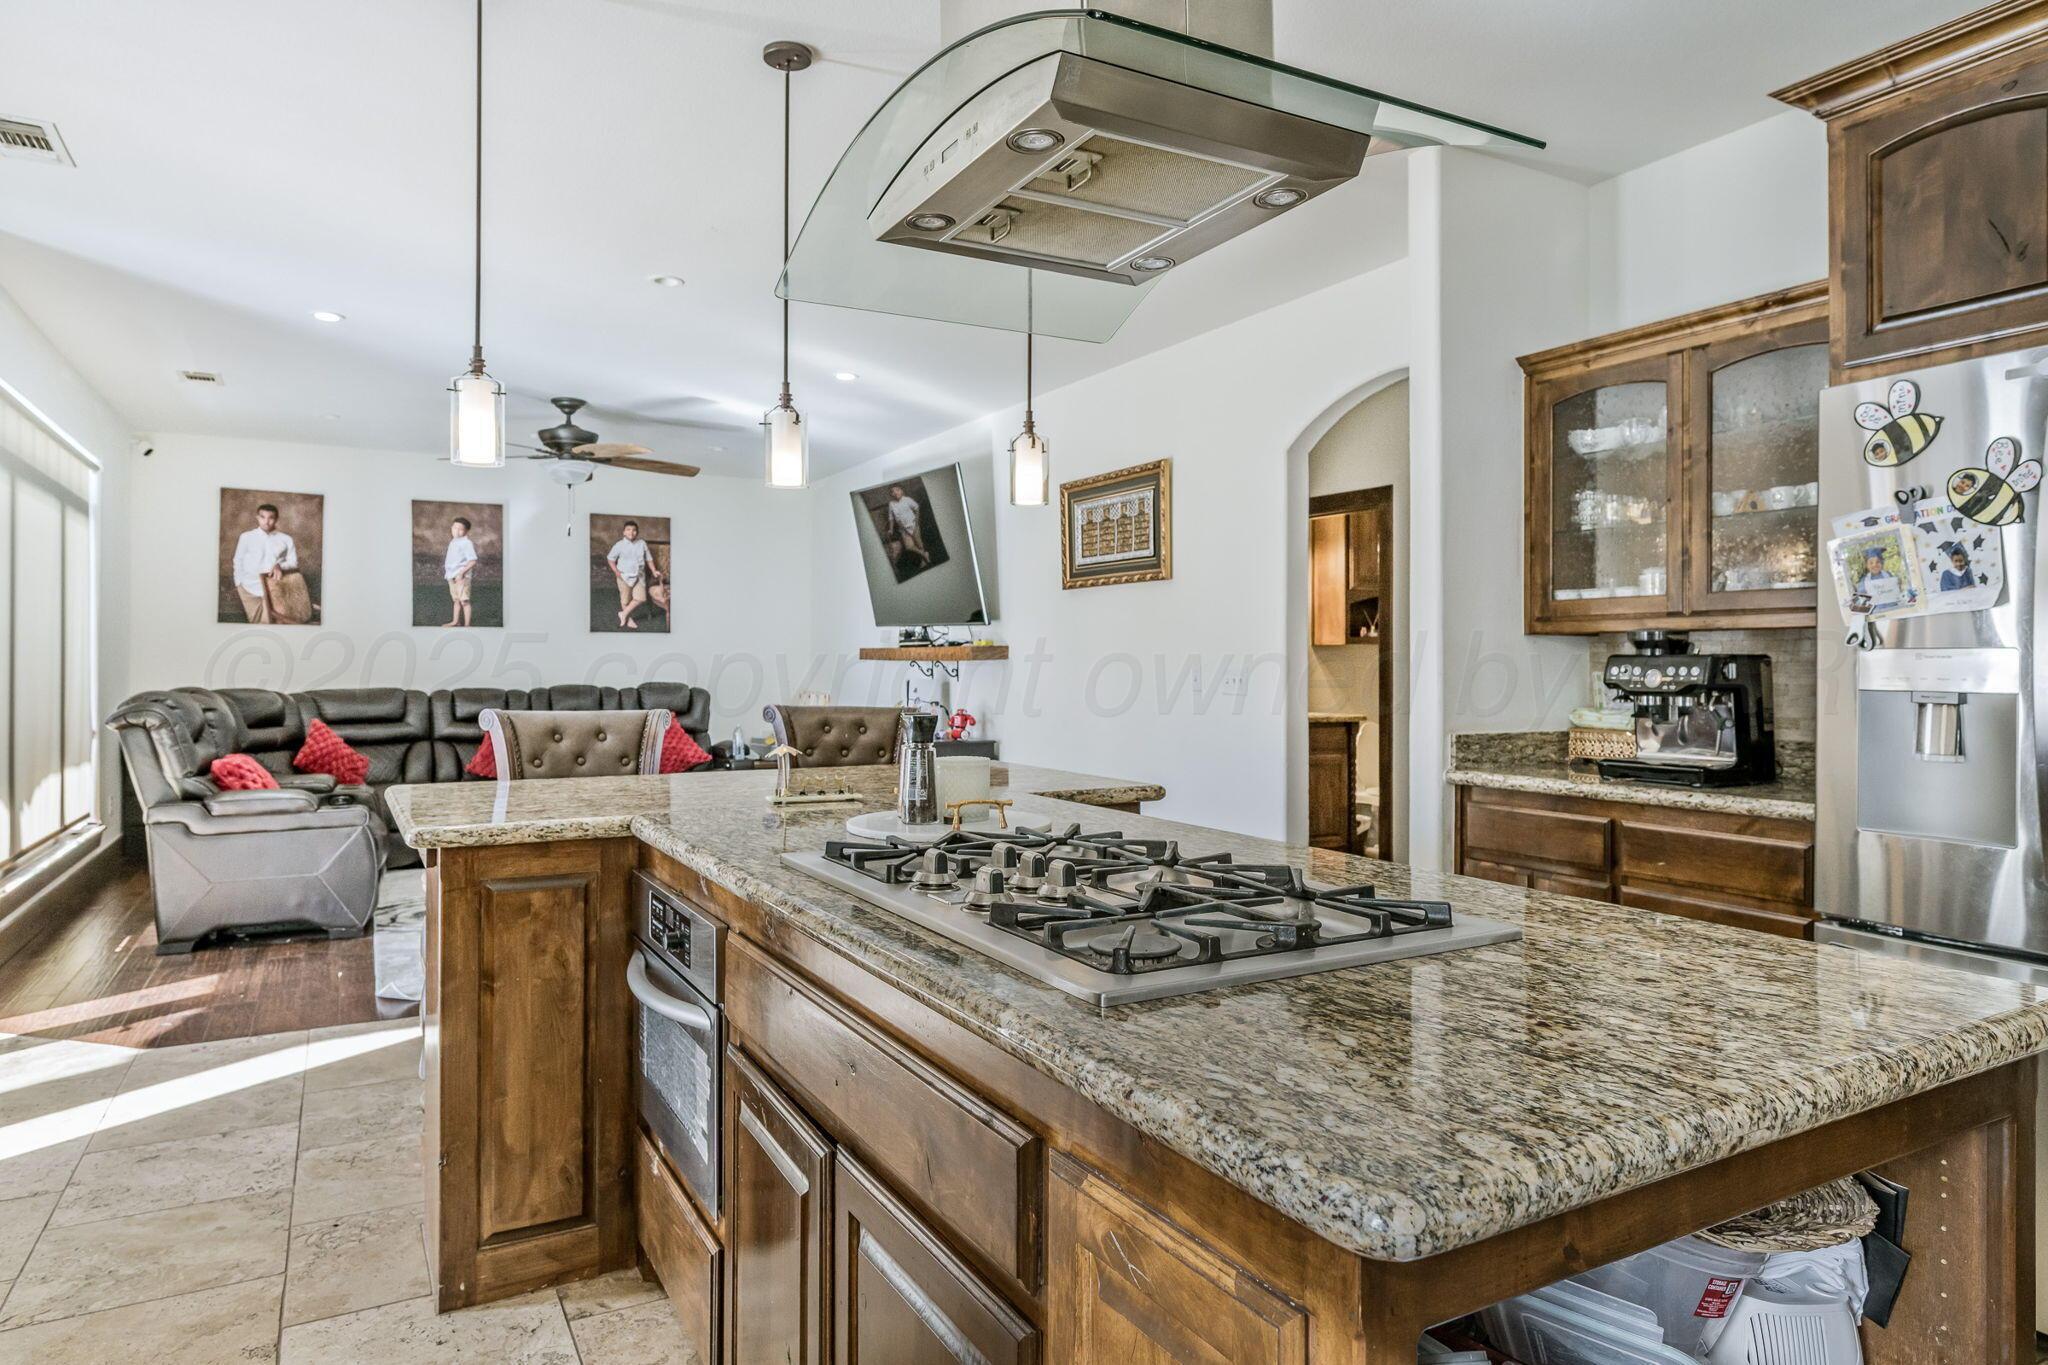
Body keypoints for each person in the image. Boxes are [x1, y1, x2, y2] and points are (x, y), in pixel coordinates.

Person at [231, 502, 297, 624]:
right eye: (263, 517)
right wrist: (238, 582)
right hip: (247, 587)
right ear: (257, 517)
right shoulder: (246, 537)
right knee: (254, 622)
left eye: (271, 518)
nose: (266, 521)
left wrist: (280, 566)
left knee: (271, 622)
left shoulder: (286, 539)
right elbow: (238, 560)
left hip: (274, 587)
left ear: (276, 519)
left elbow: (294, 562)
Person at [607, 519, 652, 629]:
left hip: (639, 576)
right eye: (628, 530)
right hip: (623, 576)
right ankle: (628, 619)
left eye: (634, 530)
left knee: (641, 598)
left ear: (637, 532)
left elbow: (649, 559)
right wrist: (616, 572)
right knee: (625, 599)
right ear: (624, 532)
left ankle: (623, 614)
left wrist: (654, 570)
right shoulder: (619, 545)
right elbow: (610, 559)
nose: (631, 532)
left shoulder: (642, 543)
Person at [442, 516, 478, 627]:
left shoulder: (466, 543)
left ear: (466, 531)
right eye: (454, 528)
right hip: (451, 576)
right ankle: (456, 621)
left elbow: (473, 561)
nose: (456, 531)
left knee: (464, 601)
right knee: (456, 600)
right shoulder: (453, 542)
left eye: (460, 529)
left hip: (461, 577)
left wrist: (461, 573)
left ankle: (467, 625)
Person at [886, 484, 927, 569]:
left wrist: (916, 524)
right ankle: (924, 554)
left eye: (897, 490)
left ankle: (923, 561)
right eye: (892, 492)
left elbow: (917, 508)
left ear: (901, 491)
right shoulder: (891, 504)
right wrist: (890, 529)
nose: (895, 493)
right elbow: (891, 518)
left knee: (919, 544)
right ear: (891, 495)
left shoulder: (907, 499)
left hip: (913, 525)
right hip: (903, 529)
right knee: (909, 547)